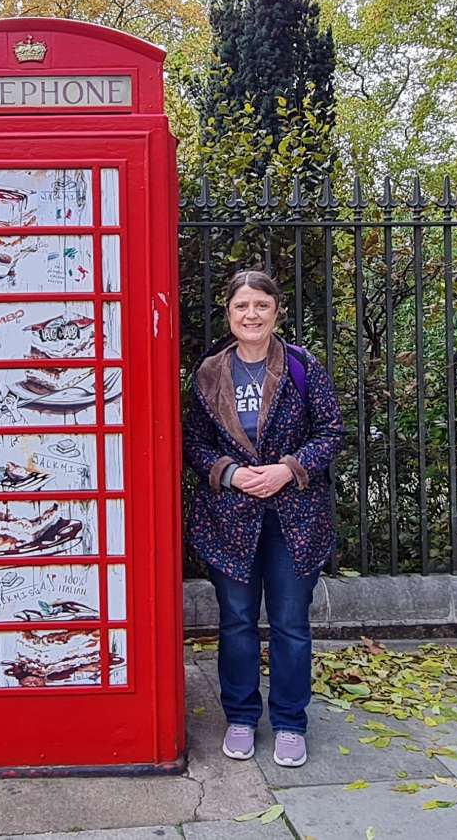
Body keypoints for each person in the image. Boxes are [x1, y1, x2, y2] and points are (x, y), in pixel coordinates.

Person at [183, 270, 346, 766]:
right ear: (229, 313)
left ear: (277, 312)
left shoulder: (302, 366)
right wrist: (229, 473)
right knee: (235, 622)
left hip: (295, 517)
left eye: (261, 306)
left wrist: (287, 469)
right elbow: (192, 441)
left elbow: (331, 431)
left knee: (291, 623)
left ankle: (291, 721)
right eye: (242, 306)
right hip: (230, 517)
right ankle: (241, 715)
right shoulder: (210, 372)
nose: (251, 315)